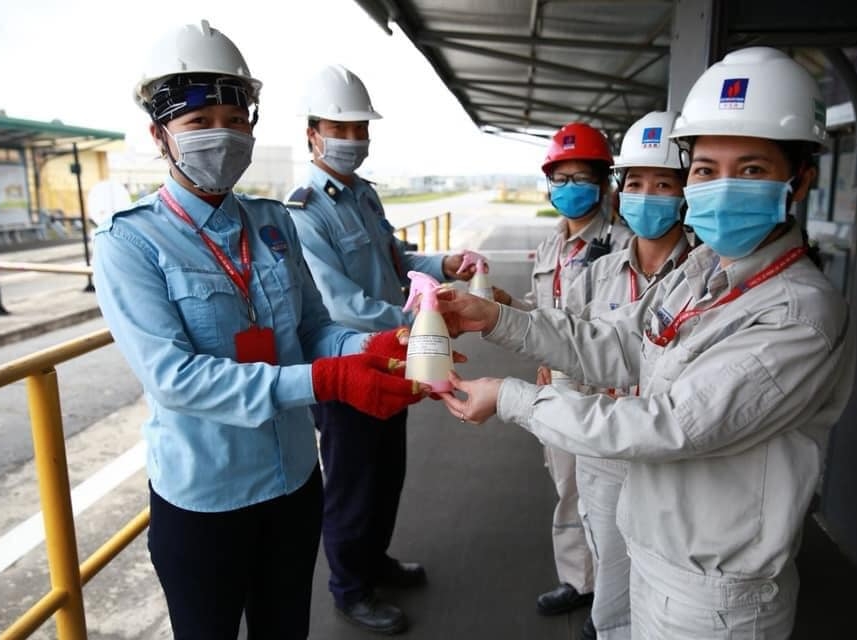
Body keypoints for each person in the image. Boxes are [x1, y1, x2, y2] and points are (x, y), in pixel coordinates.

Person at [436, 46, 855, 639]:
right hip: (653, 550)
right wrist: (495, 318)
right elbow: (617, 343)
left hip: (714, 599)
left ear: (801, 179)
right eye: (705, 169)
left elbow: (670, 424)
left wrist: (510, 398)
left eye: (751, 170)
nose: (721, 187)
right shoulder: (702, 273)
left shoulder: (797, 314)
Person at [93, 22, 427, 640]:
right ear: (159, 135)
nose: (221, 135)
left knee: (286, 629)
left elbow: (313, 328)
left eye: (233, 119)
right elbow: (174, 379)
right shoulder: (130, 242)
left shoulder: (273, 223)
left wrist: (369, 348)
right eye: (199, 122)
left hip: (294, 482)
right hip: (206, 500)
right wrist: (328, 380)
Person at [285, 64, 477, 635]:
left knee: (387, 469)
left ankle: (374, 560)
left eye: (360, 128)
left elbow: (397, 262)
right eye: (339, 129)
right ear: (312, 134)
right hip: (347, 361)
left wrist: (443, 264)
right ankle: (350, 587)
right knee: (353, 480)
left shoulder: (363, 197)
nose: (352, 139)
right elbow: (339, 304)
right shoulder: (305, 212)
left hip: (393, 353)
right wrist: (421, 322)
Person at [490, 121, 632, 628]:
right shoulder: (553, 243)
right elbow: (547, 313)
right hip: (557, 382)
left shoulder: (622, 244)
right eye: (560, 178)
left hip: (604, 389)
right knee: (567, 486)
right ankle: (579, 580)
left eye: (581, 178)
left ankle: (610, 601)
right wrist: (511, 305)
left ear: (603, 183)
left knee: (605, 500)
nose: (569, 188)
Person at [562, 110, 690, 640]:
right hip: (602, 451)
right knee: (611, 572)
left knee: (666, 583)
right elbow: (567, 347)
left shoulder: (706, 277)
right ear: (619, 192)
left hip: (672, 458)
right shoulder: (596, 274)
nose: (646, 196)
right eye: (635, 183)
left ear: (686, 193)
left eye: (664, 184)